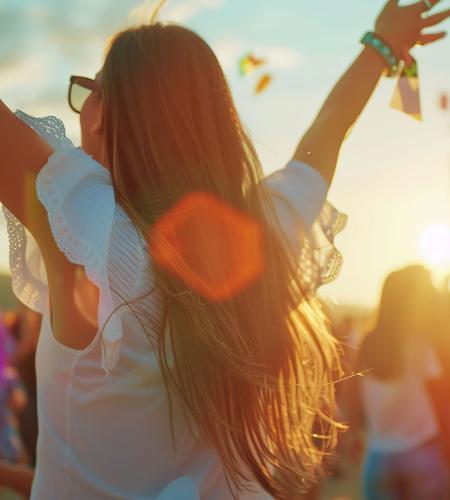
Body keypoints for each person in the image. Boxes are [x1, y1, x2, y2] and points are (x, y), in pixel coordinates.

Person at [0, 0, 448, 498]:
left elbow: (328, 131)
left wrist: (380, 47)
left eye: (88, 92)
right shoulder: (262, 239)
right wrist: (381, 48)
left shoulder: (90, 232)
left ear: (104, 115)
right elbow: (328, 132)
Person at [344, 265, 449, 499]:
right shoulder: (419, 344)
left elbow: (352, 396)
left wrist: (352, 435)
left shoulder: (367, 343)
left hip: (378, 457)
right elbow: (441, 399)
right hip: (422, 452)